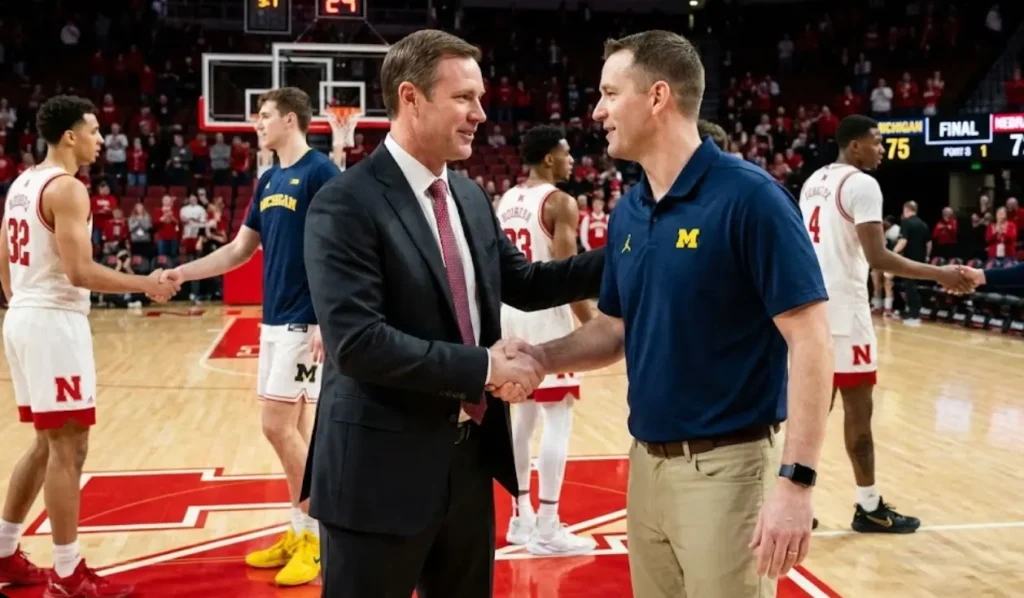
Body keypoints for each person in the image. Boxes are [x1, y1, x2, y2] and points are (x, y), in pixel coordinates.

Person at [496, 30, 834, 597]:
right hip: (645, 465)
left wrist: (796, 483)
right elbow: (614, 330)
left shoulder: (751, 198)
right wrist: (537, 357)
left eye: (609, 92)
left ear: (657, 98)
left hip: (728, 471)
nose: (598, 110)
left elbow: (812, 341)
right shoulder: (632, 209)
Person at [300, 29, 605, 598]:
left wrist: (634, 250)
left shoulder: (466, 195)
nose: (480, 114)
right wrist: (484, 369)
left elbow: (529, 283)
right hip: (377, 471)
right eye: (464, 97)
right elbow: (357, 342)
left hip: (466, 464)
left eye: (480, 98)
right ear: (411, 97)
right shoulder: (344, 202)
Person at [160, 87, 340, 587]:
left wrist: (329, 317)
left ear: (289, 119)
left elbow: (342, 246)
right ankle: (299, 530)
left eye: (263, 117)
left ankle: (321, 539)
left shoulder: (322, 172)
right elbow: (240, 250)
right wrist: (183, 272)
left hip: (306, 322)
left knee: (276, 427)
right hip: (276, 320)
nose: (257, 125)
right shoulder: (268, 179)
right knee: (295, 431)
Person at [0, 95, 178, 597]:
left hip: (24, 315)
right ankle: (66, 574)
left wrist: (25, 310)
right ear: (71, 136)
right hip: (53, 321)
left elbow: (5, 268)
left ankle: (5, 551)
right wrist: (146, 283)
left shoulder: (21, 183)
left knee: (45, 443)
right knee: (69, 447)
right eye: (95, 131)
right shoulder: (67, 189)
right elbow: (79, 272)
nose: (102, 139)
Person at [797, 114, 971, 534]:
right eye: (876, 141)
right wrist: (941, 273)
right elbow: (878, 257)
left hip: (811, 311)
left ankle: (793, 500)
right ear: (854, 145)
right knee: (859, 418)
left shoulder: (814, 180)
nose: (881, 148)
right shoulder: (862, 184)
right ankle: (869, 506)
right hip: (847, 314)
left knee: (809, 417)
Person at [495, 125, 597, 556]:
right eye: (566, 152)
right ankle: (549, 525)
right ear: (550, 158)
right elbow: (568, 275)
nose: (572, 159)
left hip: (510, 315)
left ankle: (521, 517)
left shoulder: (507, 200)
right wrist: (591, 326)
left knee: (523, 418)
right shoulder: (560, 203)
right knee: (558, 416)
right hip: (547, 316)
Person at [893, 200, 931, 326]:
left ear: (906, 209)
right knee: (914, 287)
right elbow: (929, 244)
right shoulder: (924, 224)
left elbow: (903, 241)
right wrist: (926, 257)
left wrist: (892, 253)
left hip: (908, 261)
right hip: (920, 261)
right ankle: (914, 312)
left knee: (910, 287)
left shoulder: (906, 223)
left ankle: (914, 315)